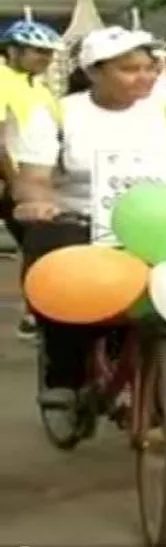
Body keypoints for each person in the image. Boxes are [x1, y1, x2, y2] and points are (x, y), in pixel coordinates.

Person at [8, 26, 166, 456]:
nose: (145, 77)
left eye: (151, 68)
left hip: (162, 224)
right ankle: (66, 375)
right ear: (95, 73)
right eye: (130, 69)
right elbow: (32, 181)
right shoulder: (58, 115)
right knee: (53, 259)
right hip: (82, 221)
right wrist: (38, 203)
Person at [0, 19, 62, 341]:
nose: (46, 59)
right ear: (13, 50)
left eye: (49, 54)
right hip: (18, 178)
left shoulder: (38, 87)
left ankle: (39, 311)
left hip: (44, 178)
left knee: (41, 246)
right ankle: (33, 314)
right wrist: (14, 183)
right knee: (39, 244)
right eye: (38, 52)